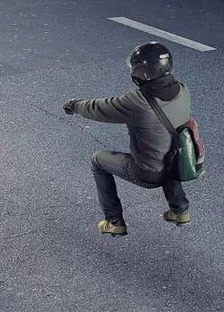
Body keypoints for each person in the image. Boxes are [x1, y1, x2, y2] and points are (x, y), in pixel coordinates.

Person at [64, 42, 194, 236]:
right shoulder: (182, 89)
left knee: (98, 160)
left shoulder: (139, 101)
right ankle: (180, 210)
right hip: (177, 165)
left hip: (147, 173)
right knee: (167, 147)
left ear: (141, 72)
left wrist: (74, 105)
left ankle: (114, 221)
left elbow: (100, 108)